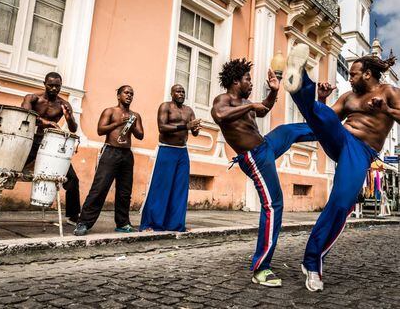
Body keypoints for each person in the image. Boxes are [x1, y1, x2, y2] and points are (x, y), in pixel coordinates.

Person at [284, 44, 399, 292]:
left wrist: (386, 109)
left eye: (353, 74)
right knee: (319, 113)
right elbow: (327, 119)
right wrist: (323, 100)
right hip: (340, 138)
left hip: (361, 152)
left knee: (340, 203)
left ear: (367, 73)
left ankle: (312, 259)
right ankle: (300, 80)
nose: (350, 78)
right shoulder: (348, 97)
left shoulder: (389, 92)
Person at [211, 58, 316, 287]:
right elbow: (219, 116)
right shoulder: (224, 100)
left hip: (266, 146)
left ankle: (329, 128)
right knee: (273, 204)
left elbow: (264, 109)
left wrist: (273, 92)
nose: (250, 83)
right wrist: (251, 105)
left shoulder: (245, 101)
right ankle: (261, 268)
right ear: (236, 80)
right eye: (247, 79)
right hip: (254, 157)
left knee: (288, 130)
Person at [74, 85, 144, 236]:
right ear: (118, 96)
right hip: (110, 151)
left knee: (124, 192)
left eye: (132, 93)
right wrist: (119, 123)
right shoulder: (110, 111)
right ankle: (83, 223)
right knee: (99, 188)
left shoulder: (135, 115)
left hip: (126, 155)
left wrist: (131, 125)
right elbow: (100, 130)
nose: (129, 95)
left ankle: (123, 223)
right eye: (126, 92)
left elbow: (140, 135)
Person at [139, 84, 201, 232]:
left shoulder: (189, 110)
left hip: (182, 152)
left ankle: (175, 224)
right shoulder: (165, 106)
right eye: (178, 91)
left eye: (183, 92)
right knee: (161, 187)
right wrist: (185, 126)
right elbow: (162, 127)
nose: (181, 94)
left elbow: (194, 132)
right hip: (166, 150)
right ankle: (152, 224)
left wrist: (195, 129)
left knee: (180, 188)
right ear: (172, 93)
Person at [22, 72, 80, 225]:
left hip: (51, 144)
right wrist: (45, 122)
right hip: (30, 140)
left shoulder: (63, 104)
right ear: (44, 83)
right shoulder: (33, 98)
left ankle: (74, 216)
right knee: (4, 172)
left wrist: (69, 118)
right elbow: (25, 115)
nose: (54, 88)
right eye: (51, 85)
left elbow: (73, 129)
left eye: (58, 86)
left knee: (72, 179)